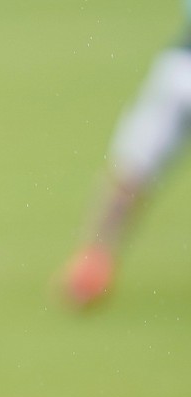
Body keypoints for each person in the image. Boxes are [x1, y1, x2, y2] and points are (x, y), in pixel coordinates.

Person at [60, 4, 191, 307]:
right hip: (181, 64)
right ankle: (92, 263)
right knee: (132, 169)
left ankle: (92, 263)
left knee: (133, 168)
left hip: (179, 67)